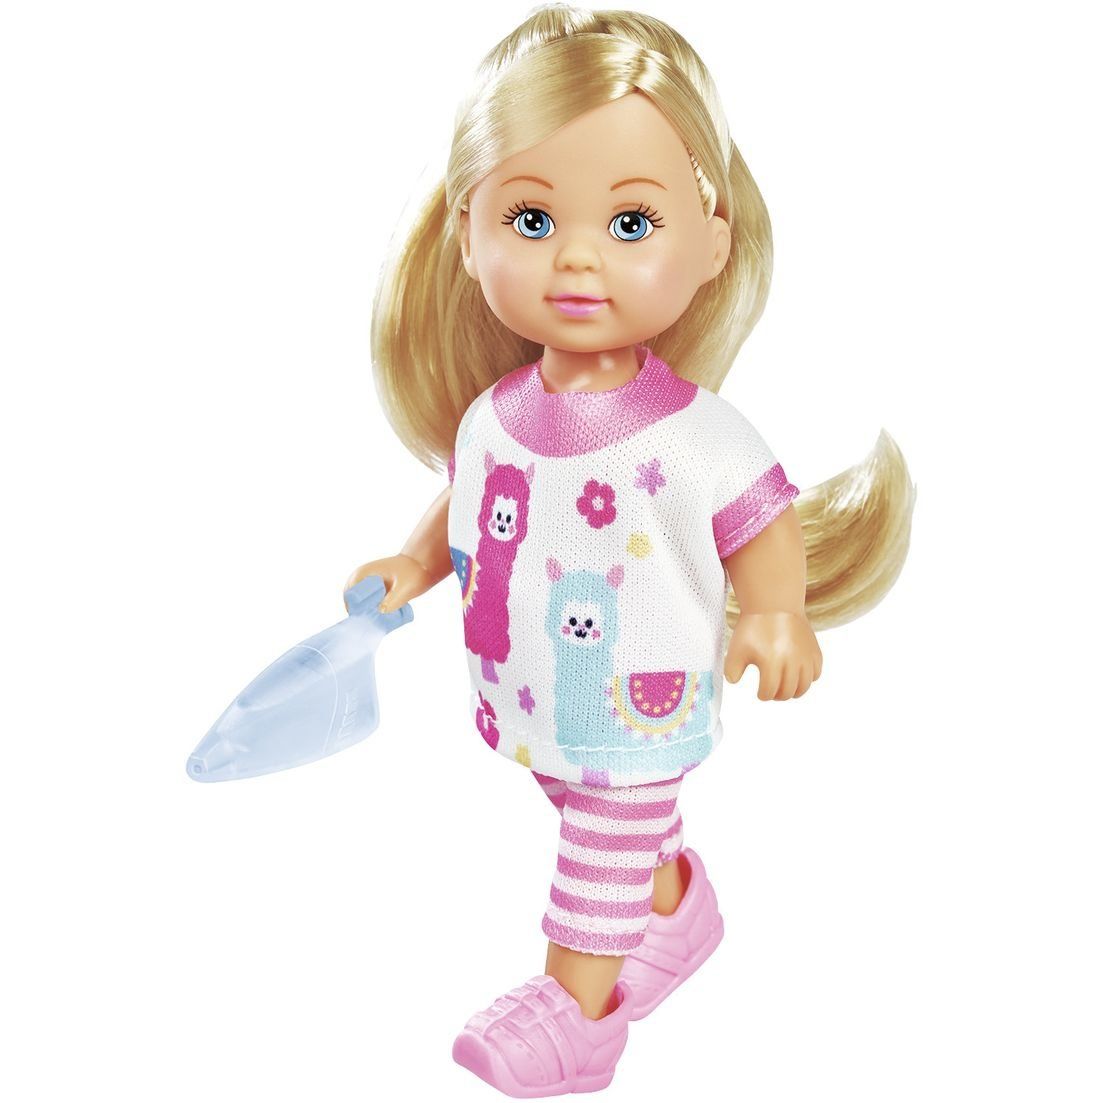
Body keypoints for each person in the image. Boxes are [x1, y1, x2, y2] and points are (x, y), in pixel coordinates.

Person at [346, 5, 914, 1095]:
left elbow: (757, 521)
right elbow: (472, 492)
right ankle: (673, 908)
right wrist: (412, 563)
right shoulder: (494, 412)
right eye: (529, 217)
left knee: (599, 839)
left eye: (630, 221)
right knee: (583, 803)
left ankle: (577, 1013)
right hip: (535, 686)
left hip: (637, 695)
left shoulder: (695, 435)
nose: (575, 255)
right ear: (465, 231)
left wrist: (776, 611)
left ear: (711, 240)